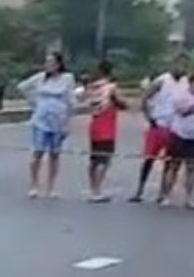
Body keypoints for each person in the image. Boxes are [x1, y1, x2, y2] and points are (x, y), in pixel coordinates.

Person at [131, 53, 190, 202]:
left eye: (184, 65)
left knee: (170, 161)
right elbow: (145, 97)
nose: (180, 68)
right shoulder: (162, 80)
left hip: (176, 126)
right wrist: (149, 117)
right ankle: (140, 190)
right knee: (149, 158)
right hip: (158, 124)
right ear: (172, 65)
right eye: (178, 64)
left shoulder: (186, 82)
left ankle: (163, 192)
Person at [17, 51, 75, 199]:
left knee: (54, 154)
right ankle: (34, 185)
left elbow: (70, 101)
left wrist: (67, 123)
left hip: (58, 120)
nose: (48, 65)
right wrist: (34, 102)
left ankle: (51, 187)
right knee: (38, 152)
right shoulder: (40, 78)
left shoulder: (67, 78)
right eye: (47, 62)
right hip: (41, 120)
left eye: (52, 62)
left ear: (59, 64)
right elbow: (22, 87)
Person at [159, 67, 194, 208]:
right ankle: (166, 195)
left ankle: (189, 198)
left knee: (191, 168)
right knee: (174, 166)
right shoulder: (181, 95)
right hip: (180, 134)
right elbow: (181, 111)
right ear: (192, 83)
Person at [83, 61, 125, 202]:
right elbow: (122, 103)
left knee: (94, 159)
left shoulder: (93, 87)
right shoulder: (111, 87)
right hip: (107, 126)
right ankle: (97, 190)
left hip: (94, 124)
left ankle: (92, 189)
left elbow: (85, 101)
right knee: (105, 160)